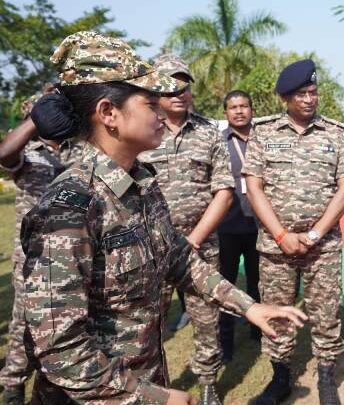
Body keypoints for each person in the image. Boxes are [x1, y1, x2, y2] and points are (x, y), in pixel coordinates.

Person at [20, 31, 306, 405]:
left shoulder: (140, 184)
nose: (163, 113)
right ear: (109, 113)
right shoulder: (70, 208)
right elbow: (60, 349)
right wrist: (152, 397)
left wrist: (248, 305)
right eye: (151, 104)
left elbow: (178, 258)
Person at [242, 59, 344, 405]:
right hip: (276, 246)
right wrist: (280, 235)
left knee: (326, 312)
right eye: (302, 94)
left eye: (313, 92)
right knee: (277, 312)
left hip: (321, 246)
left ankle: (326, 376)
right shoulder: (263, 133)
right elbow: (254, 186)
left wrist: (315, 234)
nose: (310, 99)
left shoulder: (335, 133)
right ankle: (280, 378)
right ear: (286, 99)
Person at [138, 53, 234, 404]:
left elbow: (223, 193)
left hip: (200, 247)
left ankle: (208, 384)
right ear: (155, 92)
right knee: (149, 322)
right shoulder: (144, 130)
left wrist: (192, 240)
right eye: (170, 86)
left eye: (184, 85)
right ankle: (153, 384)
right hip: (150, 248)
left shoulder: (209, 133)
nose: (179, 92)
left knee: (206, 318)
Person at [0, 89, 85, 405]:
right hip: (32, 258)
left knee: (71, 323)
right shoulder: (28, 151)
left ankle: (63, 384)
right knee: (25, 324)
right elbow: (4, 154)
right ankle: (13, 384)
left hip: (76, 253)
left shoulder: (77, 147)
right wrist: (38, 117)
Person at [218, 90, 261, 363]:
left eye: (244, 105)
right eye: (233, 107)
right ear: (226, 113)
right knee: (226, 285)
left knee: (259, 283)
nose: (239, 111)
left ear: (251, 109)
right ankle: (226, 340)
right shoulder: (218, 143)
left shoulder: (265, 140)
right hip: (228, 227)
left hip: (261, 226)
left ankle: (259, 331)